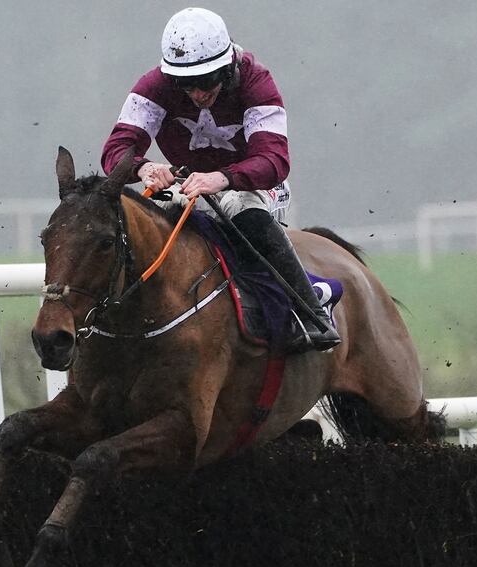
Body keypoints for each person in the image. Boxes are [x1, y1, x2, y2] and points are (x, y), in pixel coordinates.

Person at [101, 7, 340, 353]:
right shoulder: (154, 86)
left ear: (227, 68)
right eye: (186, 85)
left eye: (206, 80)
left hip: (253, 185)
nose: (198, 93)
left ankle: (310, 311)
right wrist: (143, 168)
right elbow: (117, 148)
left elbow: (274, 160)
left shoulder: (257, 82)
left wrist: (223, 178)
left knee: (242, 210)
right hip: (187, 184)